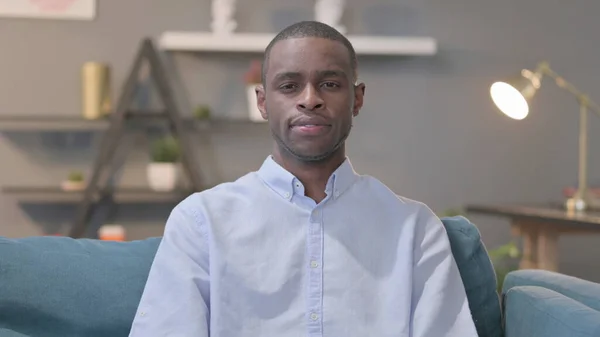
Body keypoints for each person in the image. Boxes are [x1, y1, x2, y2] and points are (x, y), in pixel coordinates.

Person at [129, 21, 478, 337]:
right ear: (263, 102)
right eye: (289, 85)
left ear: (356, 99)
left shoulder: (415, 229)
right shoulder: (200, 222)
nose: (310, 100)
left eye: (329, 84)